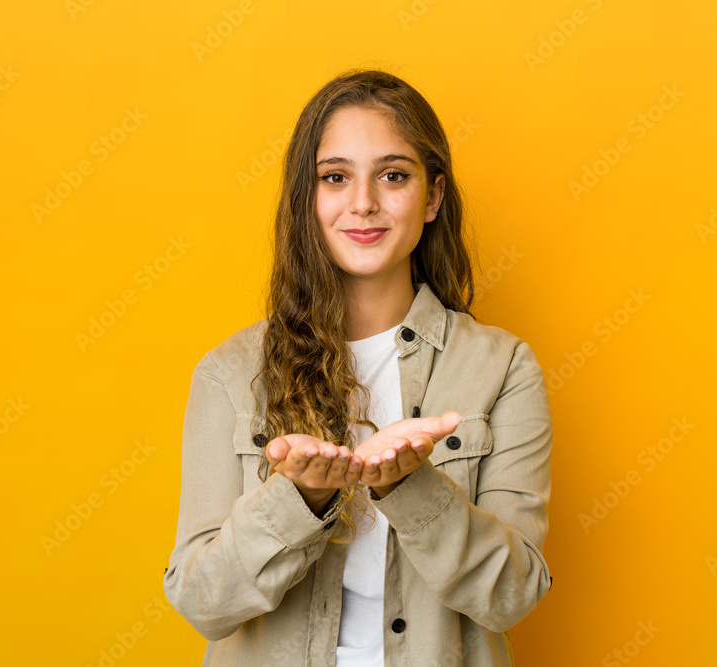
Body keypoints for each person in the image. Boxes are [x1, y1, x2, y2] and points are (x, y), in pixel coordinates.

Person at [163, 67, 553, 667]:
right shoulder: (229, 374)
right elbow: (201, 601)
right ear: (308, 197)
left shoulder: (502, 367)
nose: (364, 202)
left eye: (393, 175)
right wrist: (301, 497)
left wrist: (407, 485)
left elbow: (513, 594)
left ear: (433, 197)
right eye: (335, 177)